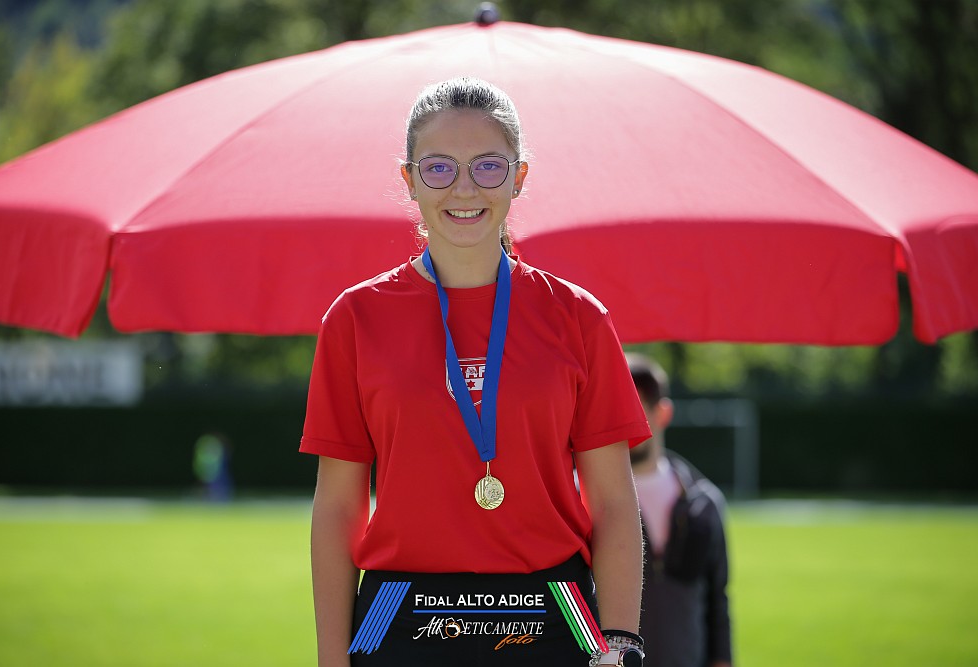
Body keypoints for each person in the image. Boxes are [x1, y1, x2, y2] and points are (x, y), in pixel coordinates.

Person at [301, 77, 650, 667]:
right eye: (439, 168)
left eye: (488, 166)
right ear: (409, 180)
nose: (464, 188)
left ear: (519, 177)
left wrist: (621, 645)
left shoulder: (579, 317)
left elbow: (614, 502)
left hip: (554, 615)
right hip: (399, 620)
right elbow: (337, 509)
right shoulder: (355, 318)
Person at [624, 353, 732, 667]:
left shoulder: (704, 501)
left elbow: (718, 601)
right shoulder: (579, 498)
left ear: (663, 413)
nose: (622, 423)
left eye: (634, 410)